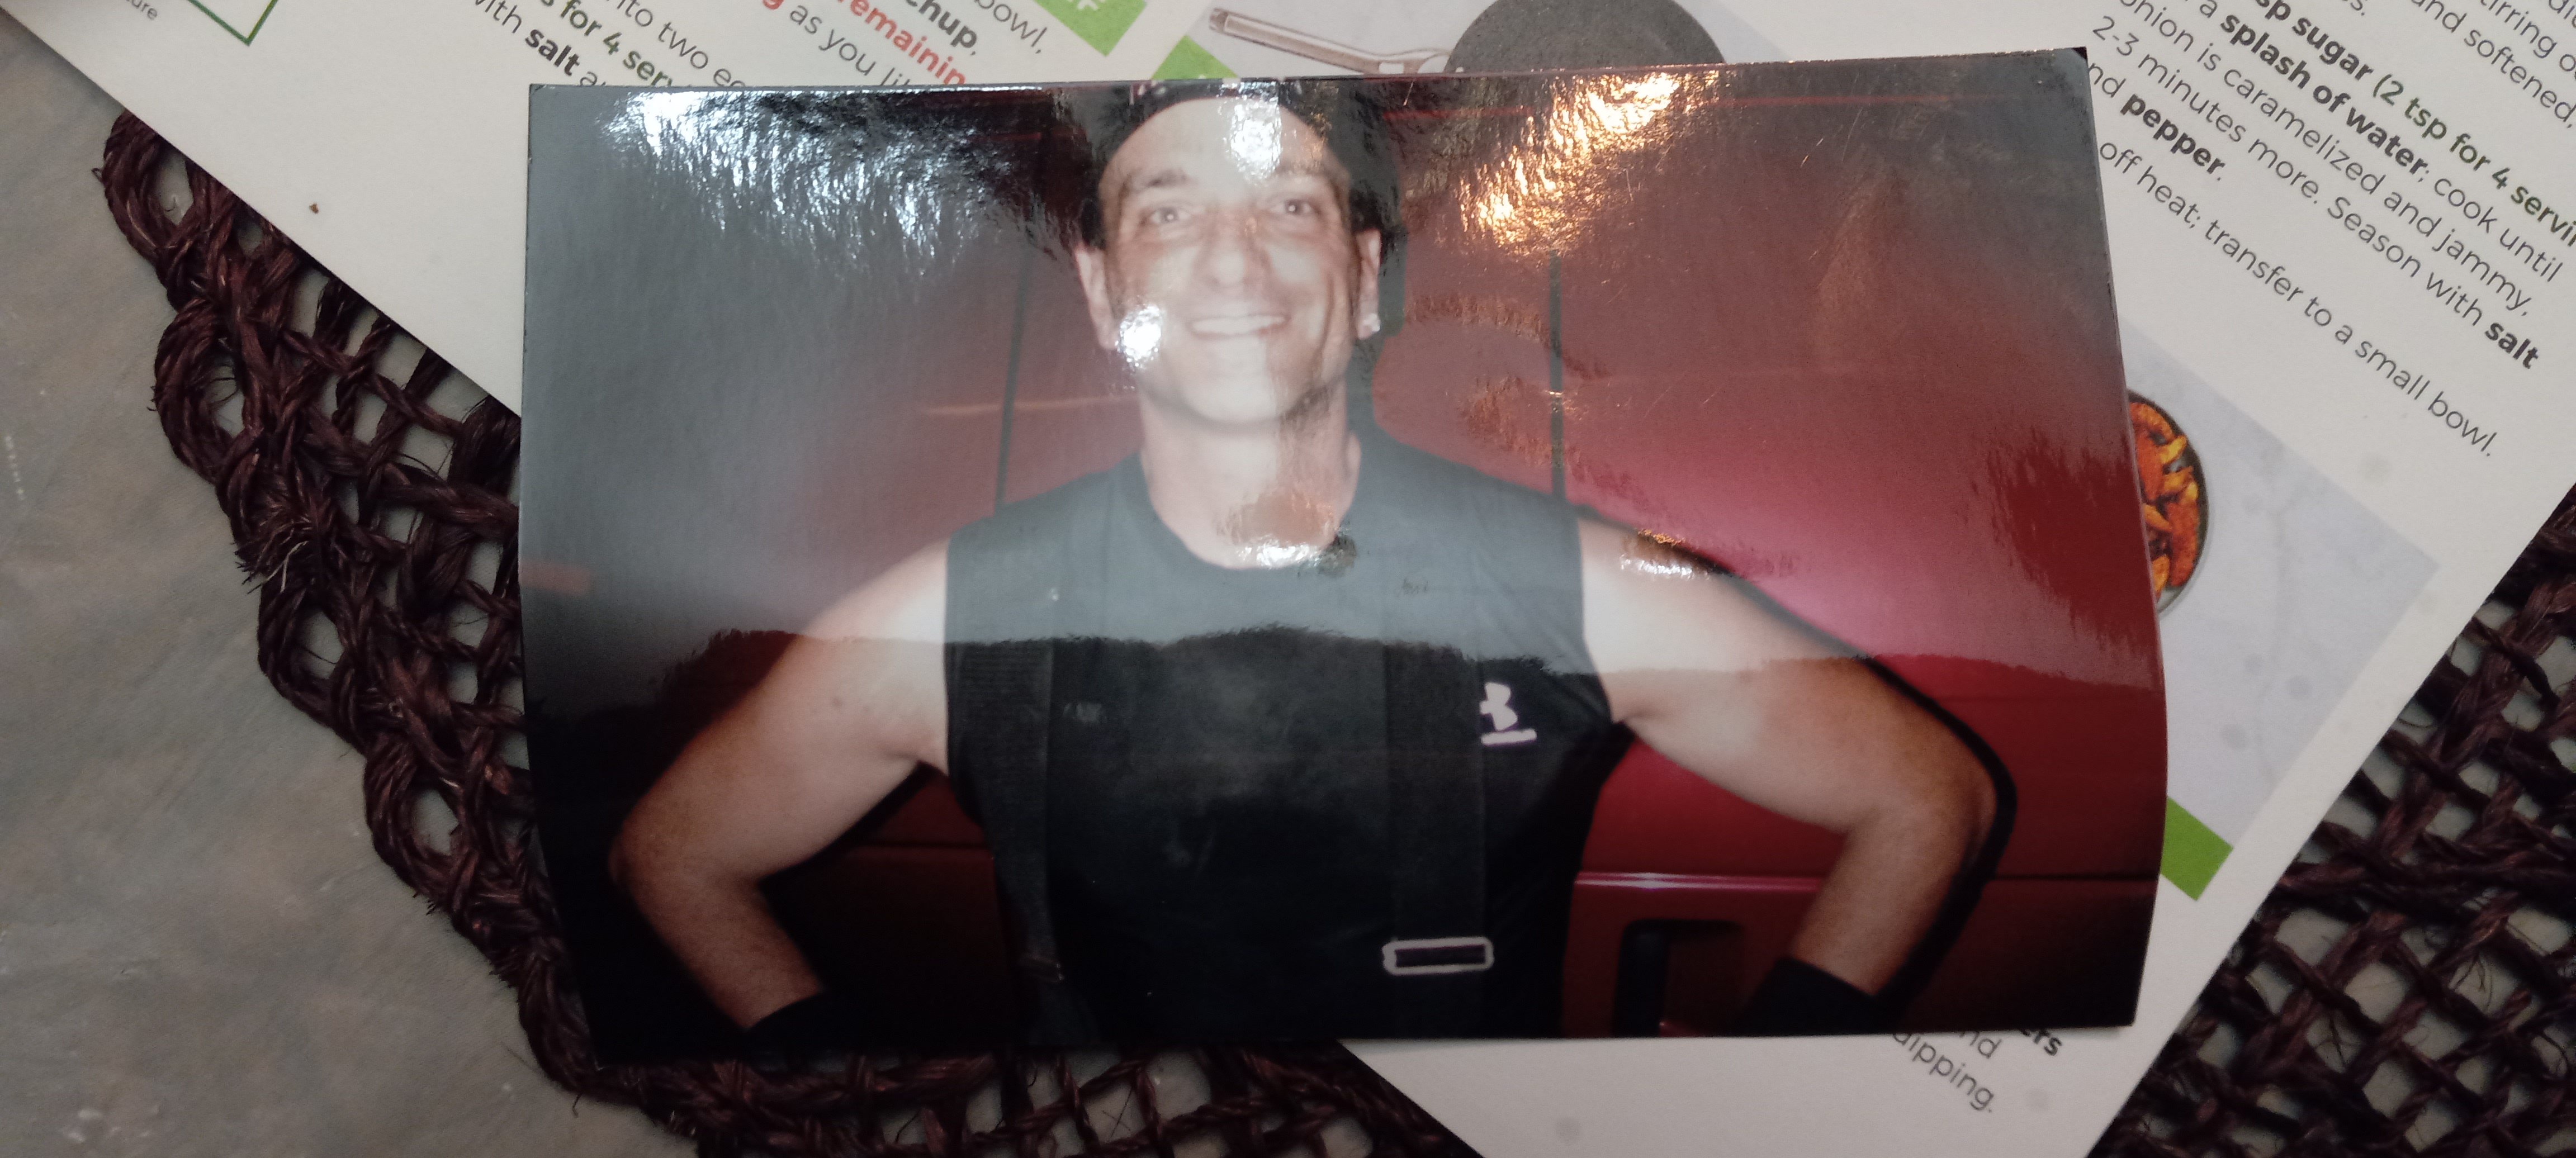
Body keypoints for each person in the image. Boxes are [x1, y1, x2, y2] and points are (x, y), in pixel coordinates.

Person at [610, 80, 2006, 1047]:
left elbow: (1928, 795)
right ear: (1102, 288)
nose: (1232, 265)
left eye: (1288, 208)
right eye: (1168, 213)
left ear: (1367, 274)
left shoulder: (1572, 589)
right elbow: (673, 855)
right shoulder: (950, 616)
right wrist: (827, 1082)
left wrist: (1773, 1080)